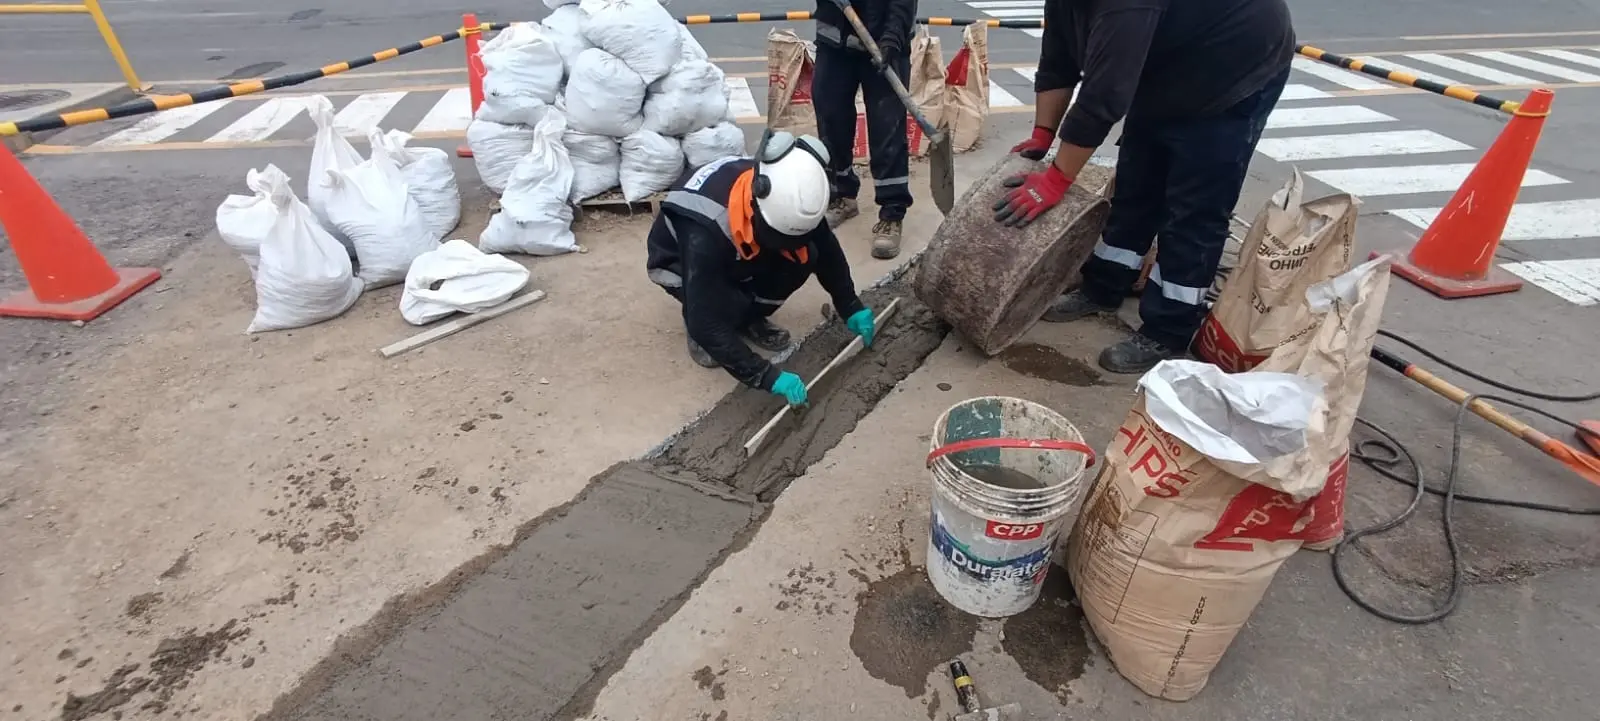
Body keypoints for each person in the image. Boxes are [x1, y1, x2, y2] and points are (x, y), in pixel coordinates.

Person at [993, 0, 1294, 374]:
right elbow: (1059, 57)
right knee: (1136, 181)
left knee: (1194, 207)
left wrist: (1056, 179)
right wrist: (1043, 134)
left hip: (1232, 71)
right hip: (1167, 64)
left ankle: (1169, 328)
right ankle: (1103, 286)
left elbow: (1103, 96)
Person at [645, 131, 878, 407]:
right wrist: (765, 375)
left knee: (804, 256)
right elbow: (705, 321)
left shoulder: (791, 188)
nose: (790, 244)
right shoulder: (705, 231)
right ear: (757, 205)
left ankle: (749, 319)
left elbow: (825, 248)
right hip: (680, 264)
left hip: (740, 248)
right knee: (714, 311)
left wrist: (849, 304)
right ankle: (708, 327)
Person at [812, 0, 919, 260]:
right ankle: (842, 194)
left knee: (887, 128)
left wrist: (893, 38)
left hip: (886, 39)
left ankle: (892, 212)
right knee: (831, 118)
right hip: (834, 40)